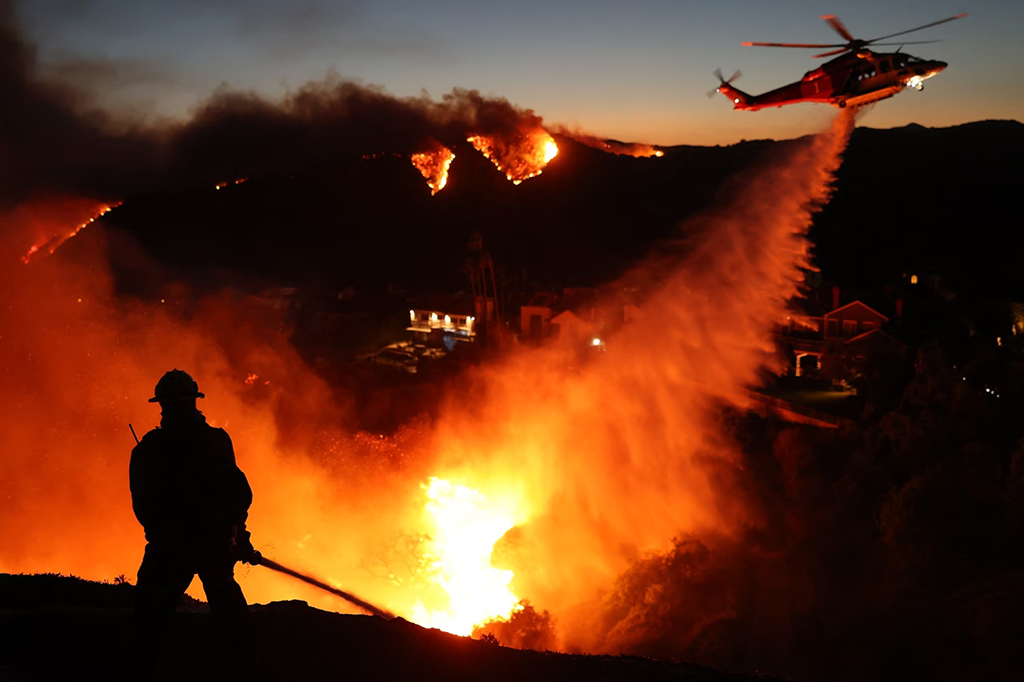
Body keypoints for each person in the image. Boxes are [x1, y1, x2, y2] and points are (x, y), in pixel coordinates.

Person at [130, 369, 256, 676]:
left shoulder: (148, 449)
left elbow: (144, 507)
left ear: (162, 406)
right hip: (211, 546)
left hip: (169, 550)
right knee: (232, 619)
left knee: (149, 621)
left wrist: (165, 535)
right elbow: (238, 496)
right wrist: (236, 538)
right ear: (194, 402)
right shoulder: (216, 441)